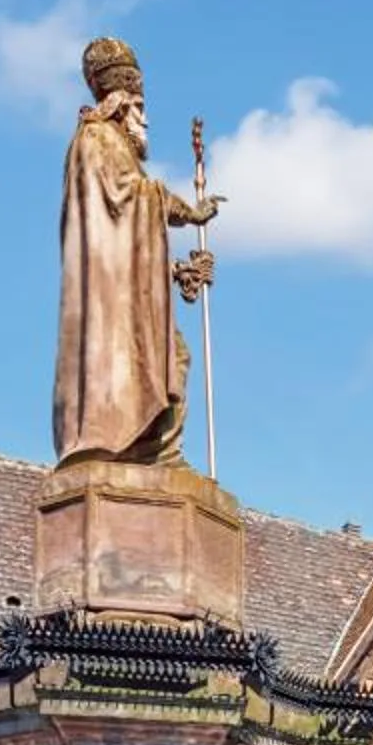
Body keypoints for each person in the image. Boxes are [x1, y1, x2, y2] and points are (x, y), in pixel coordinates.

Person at [53, 36, 223, 467]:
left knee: (173, 357)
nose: (145, 120)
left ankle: (155, 454)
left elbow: (122, 244)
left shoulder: (103, 144)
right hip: (111, 313)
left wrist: (178, 271)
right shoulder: (98, 140)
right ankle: (154, 454)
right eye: (140, 109)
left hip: (118, 296)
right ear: (122, 106)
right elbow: (133, 201)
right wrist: (192, 212)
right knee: (164, 360)